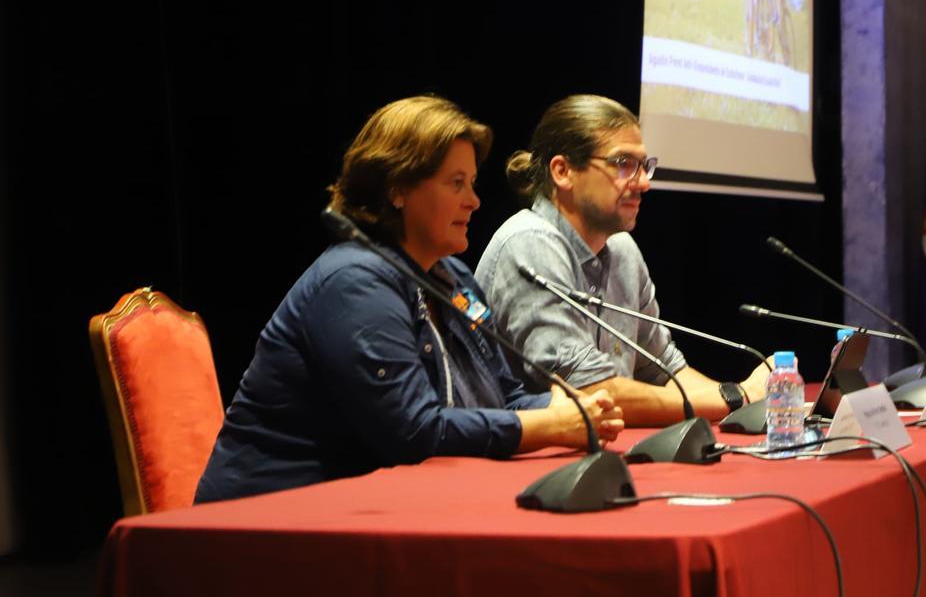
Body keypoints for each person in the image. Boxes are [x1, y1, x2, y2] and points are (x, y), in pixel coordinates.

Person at [195, 96, 623, 503]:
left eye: (472, 183)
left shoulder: (453, 278)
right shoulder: (354, 283)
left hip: (369, 507)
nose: (474, 201)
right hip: (271, 516)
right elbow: (413, 431)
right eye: (456, 183)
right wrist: (548, 425)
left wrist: (568, 407)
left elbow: (505, 397)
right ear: (397, 188)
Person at [475, 95, 769, 428]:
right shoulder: (530, 243)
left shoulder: (622, 250)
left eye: (644, 165)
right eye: (623, 164)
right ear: (563, 171)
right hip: (528, 468)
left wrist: (751, 406)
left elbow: (665, 372)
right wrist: (737, 396)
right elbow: (589, 391)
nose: (644, 182)